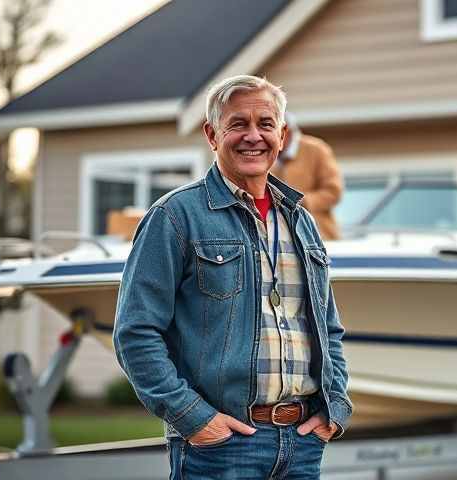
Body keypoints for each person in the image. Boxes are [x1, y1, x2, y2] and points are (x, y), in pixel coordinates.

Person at [113, 75, 352, 480]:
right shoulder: (175, 216)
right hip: (222, 446)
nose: (253, 136)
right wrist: (193, 418)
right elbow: (135, 332)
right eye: (238, 124)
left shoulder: (302, 221)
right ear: (212, 134)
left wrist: (335, 408)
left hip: (302, 444)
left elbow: (327, 329)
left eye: (265, 124)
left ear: (282, 134)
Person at [271, 112, 343, 240]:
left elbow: (334, 192)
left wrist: (300, 201)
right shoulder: (267, 153)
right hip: (282, 239)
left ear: (286, 130)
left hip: (319, 236)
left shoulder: (316, 149)